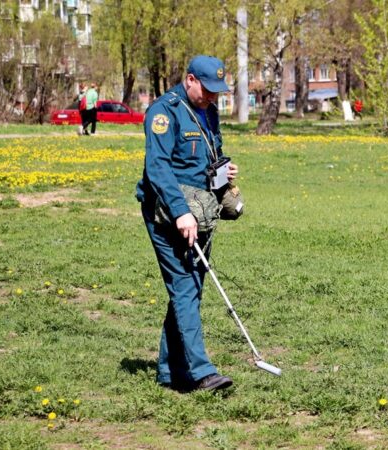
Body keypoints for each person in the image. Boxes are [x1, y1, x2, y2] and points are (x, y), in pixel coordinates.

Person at [136, 55, 239, 392]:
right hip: (168, 213)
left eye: (217, 92)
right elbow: (158, 167)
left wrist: (223, 171)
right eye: (207, 90)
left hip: (201, 211)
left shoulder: (209, 111)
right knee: (184, 286)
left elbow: (209, 156)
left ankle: (169, 372)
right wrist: (181, 212)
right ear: (190, 79)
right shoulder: (163, 112)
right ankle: (202, 372)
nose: (211, 97)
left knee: (189, 289)